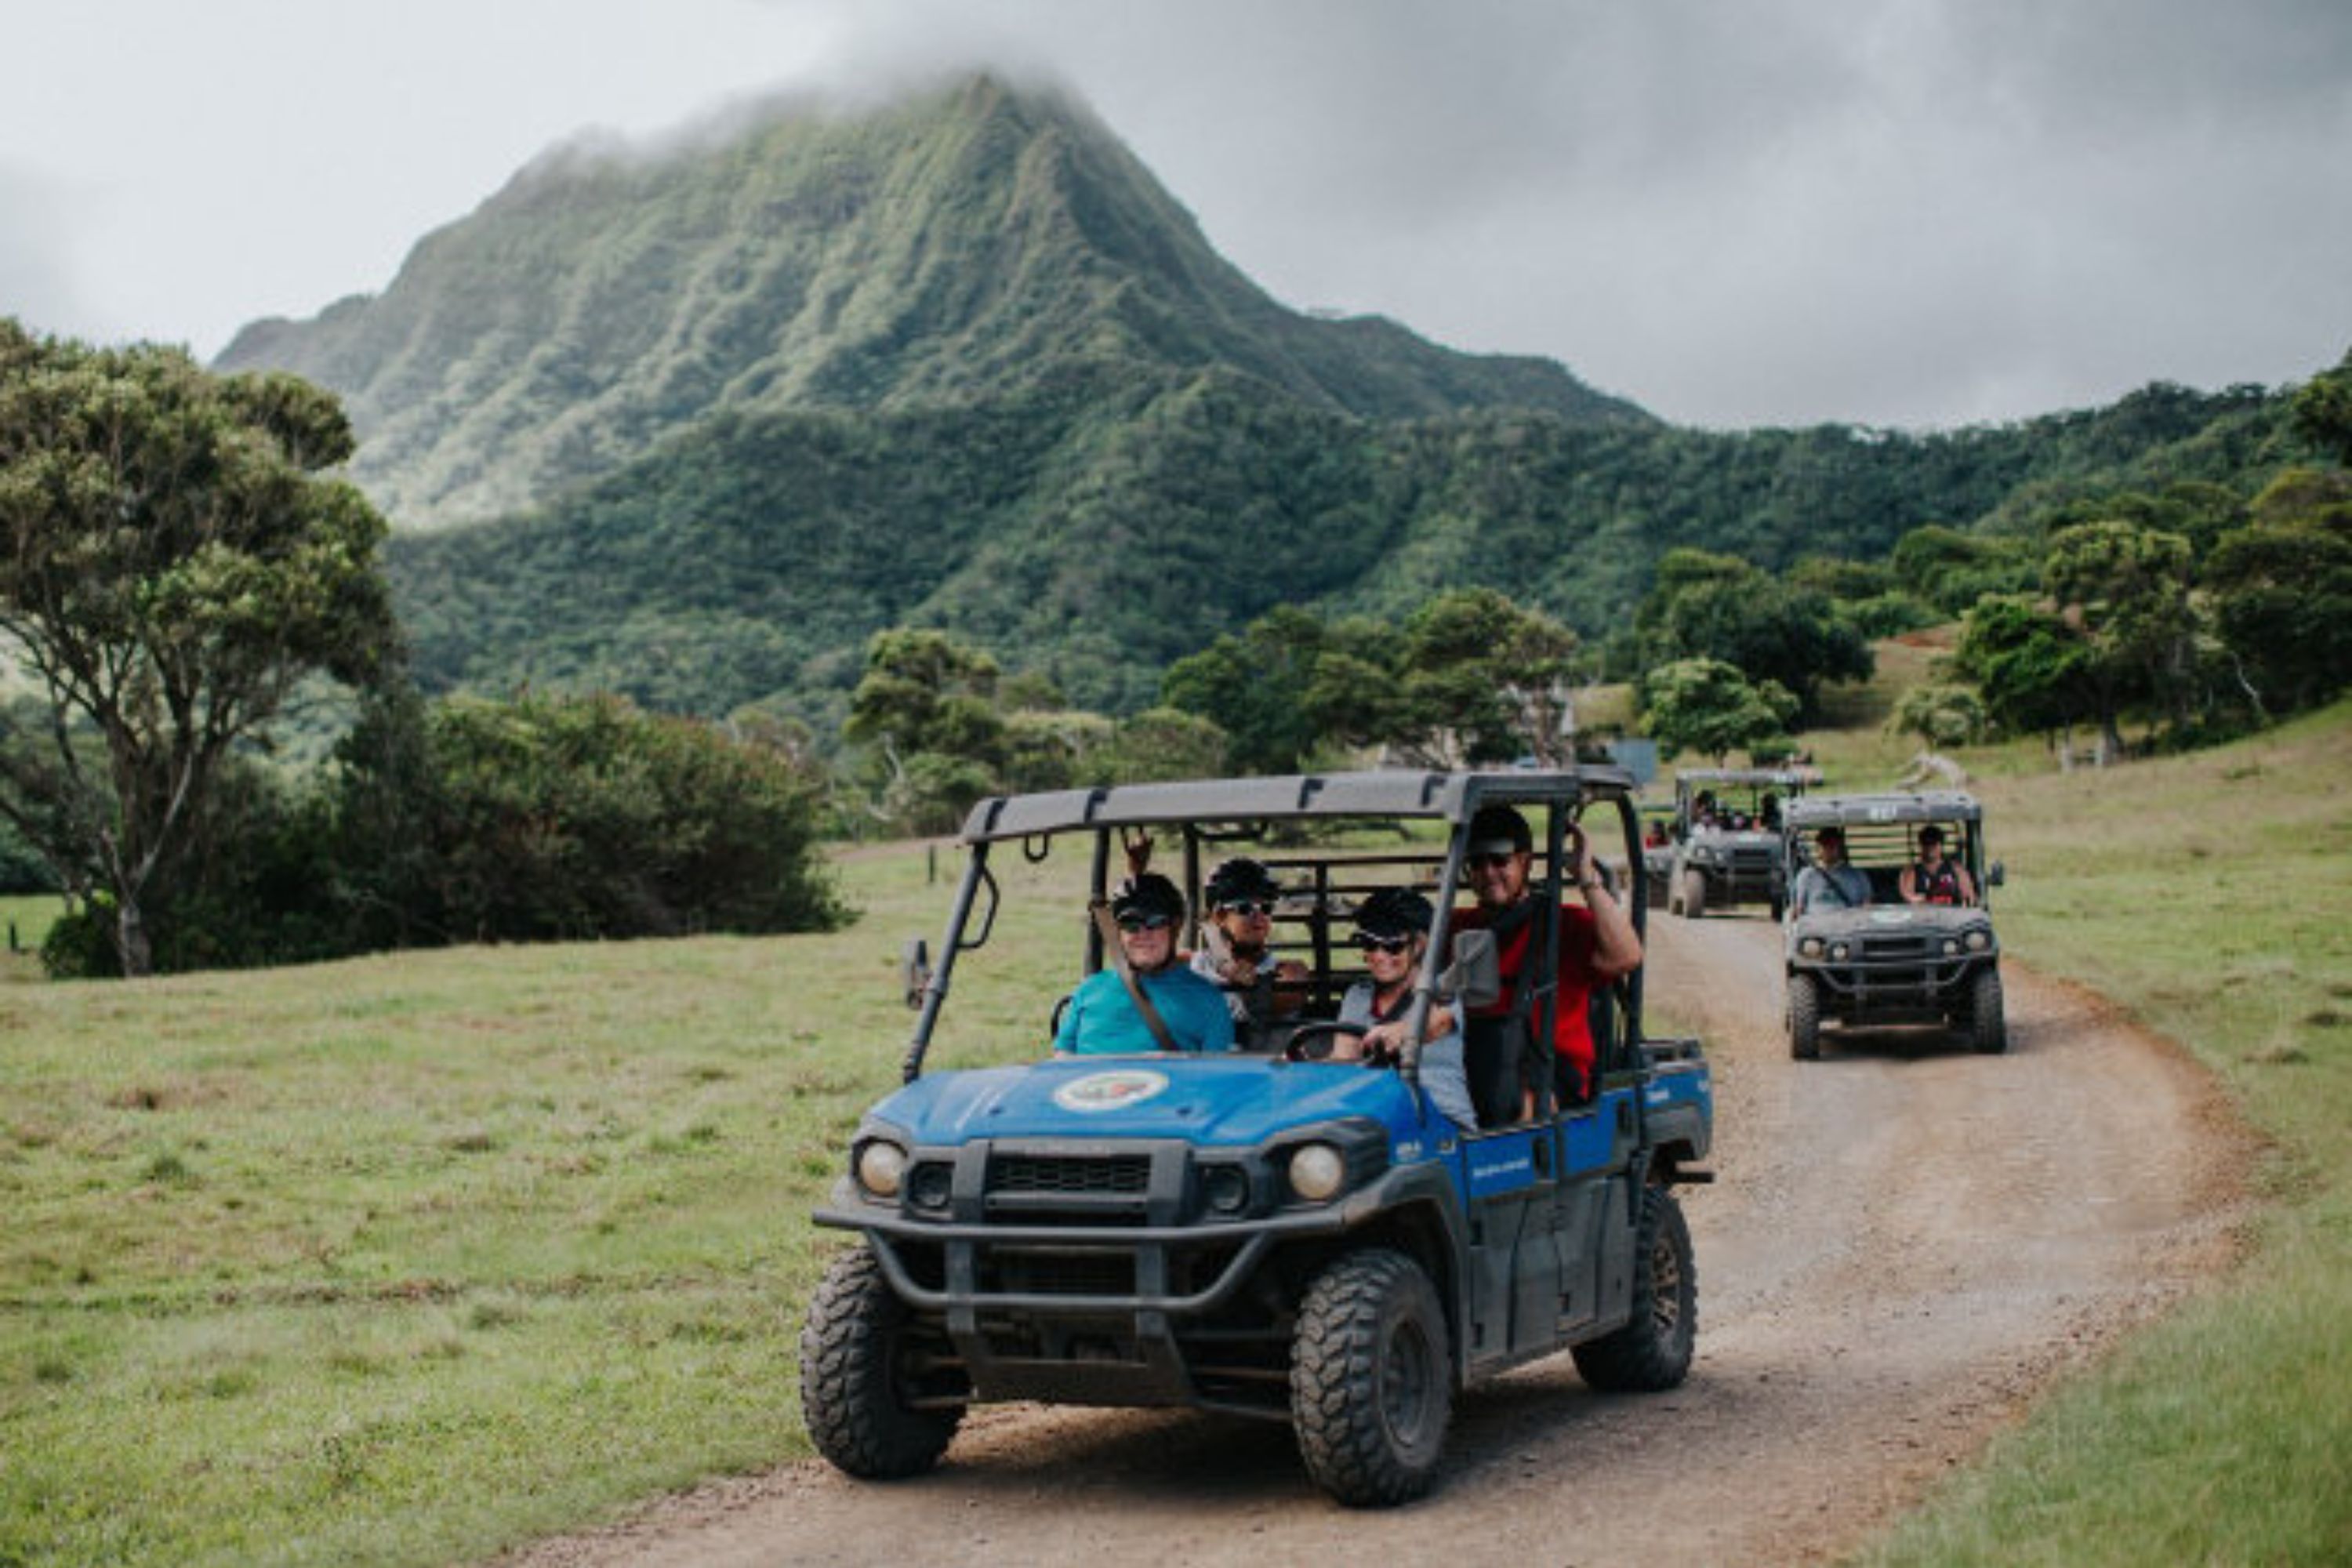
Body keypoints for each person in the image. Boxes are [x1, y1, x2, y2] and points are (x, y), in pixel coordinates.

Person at [1452, 804, 1642, 1123]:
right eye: (1477, 862)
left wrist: (1586, 878)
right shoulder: (1460, 927)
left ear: (1525, 862)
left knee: (1515, 1112)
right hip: (1475, 1063)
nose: (1488, 873)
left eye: (1500, 861)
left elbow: (1626, 957)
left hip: (1549, 1069)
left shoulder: (1563, 923)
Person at [1330, 887, 1477, 1134]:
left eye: (1392, 946)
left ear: (1420, 945)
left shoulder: (1443, 991)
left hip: (1442, 1121)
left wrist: (1403, 1033)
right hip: (1375, 1118)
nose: (1378, 956)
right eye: (1369, 944)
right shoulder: (1359, 995)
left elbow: (1436, 1023)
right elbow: (1343, 1061)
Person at [1052, 874, 1236, 1055]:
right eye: (1131, 924)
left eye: (1155, 922)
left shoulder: (1208, 1000)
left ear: (1176, 926)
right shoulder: (1089, 989)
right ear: (1118, 932)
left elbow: (1216, 1076)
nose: (1143, 934)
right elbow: (1062, 1061)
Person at [1188, 857, 1310, 1051]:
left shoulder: (1288, 972)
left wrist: (1241, 976)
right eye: (1245, 908)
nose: (1259, 917)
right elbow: (1143, 958)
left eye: (1266, 908)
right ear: (1219, 916)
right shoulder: (1194, 964)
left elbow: (1282, 996)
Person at [1789, 825, 1871, 914]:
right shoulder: (1806, 876)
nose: (1828, 849)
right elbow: (1799, 908)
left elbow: (1867, 906)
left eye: (1832, 845)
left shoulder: (1857, 876)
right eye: (1824, 844)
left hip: (1850, 924)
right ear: (1817, 848)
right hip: (1816, 925)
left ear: (1839, 848)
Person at [1900, 825, 1976, 907]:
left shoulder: (1956, 869)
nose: (1930, 848)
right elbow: (1908, 896)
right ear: (1921, 845)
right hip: (1922, 915)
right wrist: (1929, 900)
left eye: (1934, 844)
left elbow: (1968, 896)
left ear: (1941, 845)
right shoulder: (1912, 871)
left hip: (1953, 915)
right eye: (1927, 844)